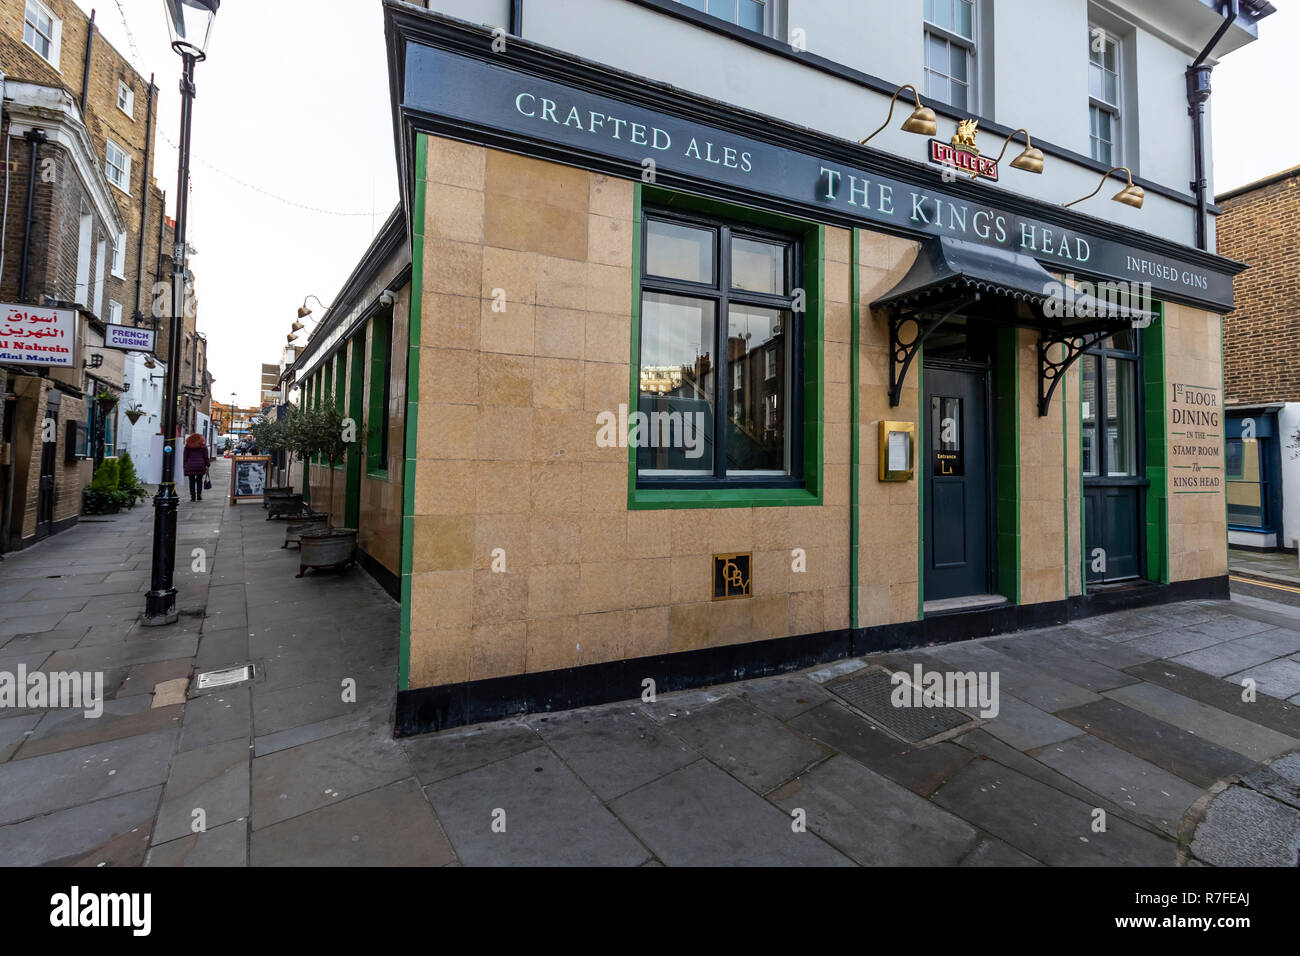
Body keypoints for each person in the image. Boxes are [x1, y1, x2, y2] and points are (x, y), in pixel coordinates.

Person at [182, 432, 210, 502]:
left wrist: (184, 465)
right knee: (199, 480)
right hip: (200, 465)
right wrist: (208, 464)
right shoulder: (203, 446)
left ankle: (192, 496)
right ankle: (199, 495)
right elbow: (206, 457)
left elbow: (185, 457)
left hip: (190, 465)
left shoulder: (187, 446)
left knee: (191, 481)